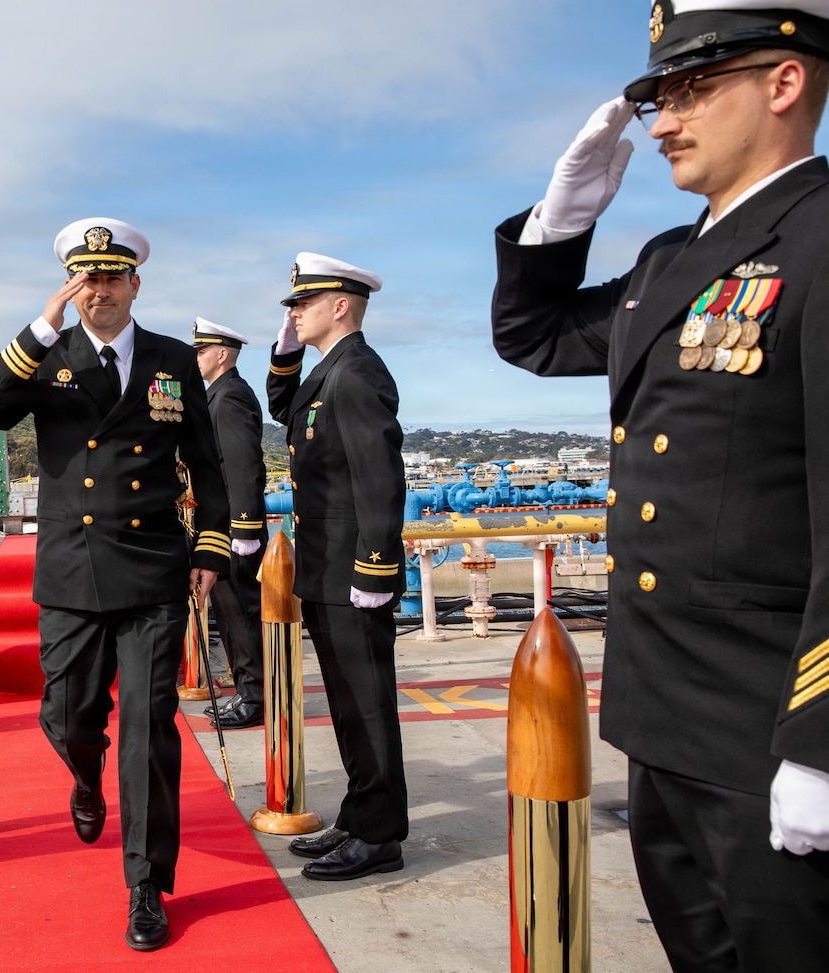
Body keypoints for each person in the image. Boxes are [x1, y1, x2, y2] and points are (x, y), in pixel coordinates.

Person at [491, 2, 829, 966]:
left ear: (784, 82)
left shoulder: (820, 240)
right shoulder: (667, 260)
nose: (664, 122)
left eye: (691, 90)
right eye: (657, 99)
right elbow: (535, 337)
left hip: (770, 727)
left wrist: (820, 743)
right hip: (661, 715)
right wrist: (562, 220)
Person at [0, 218, 230, 951]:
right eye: (86, 279)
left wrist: (211, 544)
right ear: (71, 287)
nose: (99, 290)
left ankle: (146, 884)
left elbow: (207, 463)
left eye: (112, 277)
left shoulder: (173, 359)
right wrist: (41, 324)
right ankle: (85, 774)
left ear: (135, 284)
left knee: (148, 728)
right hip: (72, 569)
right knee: (68, 715)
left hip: (151, 566)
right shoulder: (46, 354)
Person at [267, 252, 409, 882]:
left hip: (353, 572)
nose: (295, 312)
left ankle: (379, 836)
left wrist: (375, 568)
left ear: (342, 305)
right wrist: (286, 350)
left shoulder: (356, 373)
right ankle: (359, 814)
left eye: (304, 303)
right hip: (326, 571)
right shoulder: (330, 371)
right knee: (348, 705)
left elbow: (380, 477)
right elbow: (284, 407)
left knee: (368, 704)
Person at [192, 318, 266, 729]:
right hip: (222, 528)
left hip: (235, 531)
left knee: (242, 614)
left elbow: (243, 467)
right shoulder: (217, 395)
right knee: (231, 614)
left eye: (202, 351)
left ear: (222, 354)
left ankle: (254, 697)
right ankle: (245, 689)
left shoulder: (231, 396)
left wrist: (244, 530)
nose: (196, 358)